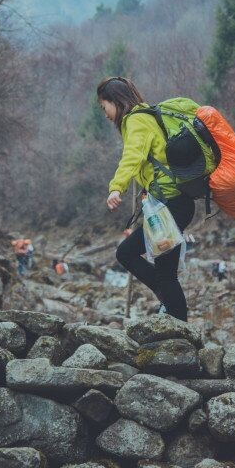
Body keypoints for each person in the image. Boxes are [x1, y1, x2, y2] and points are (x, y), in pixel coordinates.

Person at [100, 76, 195, 321]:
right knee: (166, 273)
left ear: (115, 101)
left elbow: (132, 157)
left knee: (128, 255)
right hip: (173, 204)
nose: (106, 114)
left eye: (104, 107)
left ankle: (177, 324)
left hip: (171, 206)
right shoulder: (145, 116)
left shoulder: (136, 120)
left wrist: (116, 188)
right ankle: (176, 321)